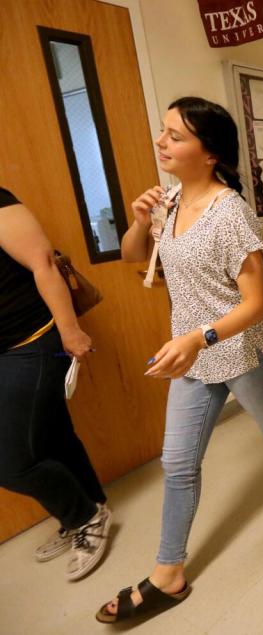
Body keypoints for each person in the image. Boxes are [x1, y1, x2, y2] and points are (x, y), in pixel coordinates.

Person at [97, 97, 263, 623]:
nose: (162, 142)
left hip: (243, 349)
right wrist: (138, 219)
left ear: (210, 153)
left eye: (175, 135)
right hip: (193, 356)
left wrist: (198, 337)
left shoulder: (232, 213)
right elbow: (135, 256)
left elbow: (253, 303)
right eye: (163, 131)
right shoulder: (170, 202)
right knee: (177, 462)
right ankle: (168, 573)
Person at [0, 187, 110, 581]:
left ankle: (85, 516)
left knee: (12, 463)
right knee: (51, 435)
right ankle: (92, 504)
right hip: (5, 348)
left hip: (33, 338)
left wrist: (70, 330)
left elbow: (44, 262)